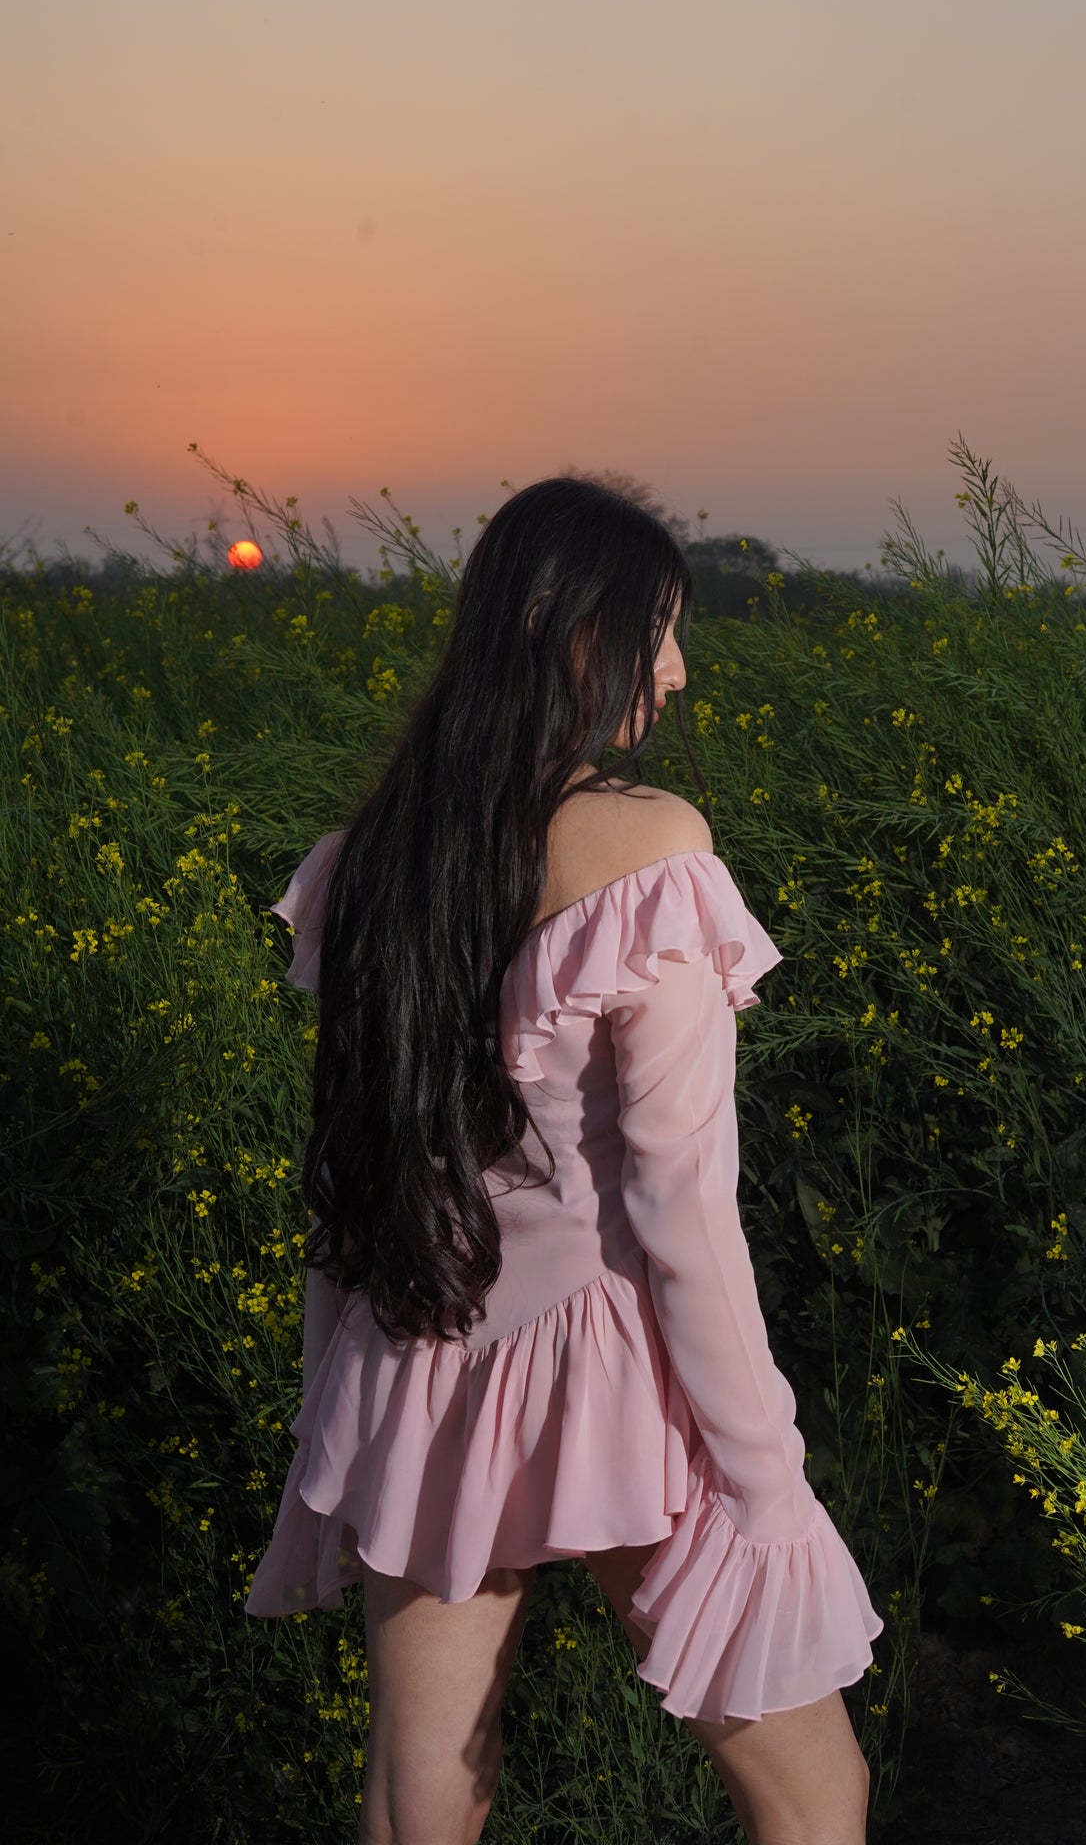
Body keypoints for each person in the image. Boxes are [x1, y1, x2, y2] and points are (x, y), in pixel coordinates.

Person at [244, 477, 882, 1844]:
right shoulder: (651, 850)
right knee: (817, 1795)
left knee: (422, 1802)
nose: (676, 670)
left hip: (412, 1353)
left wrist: (332, 1408)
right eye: (653, 629)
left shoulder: (366, 861)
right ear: (562, 633)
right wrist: (764, 1475)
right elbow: (679, 1208)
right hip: (614, 1367)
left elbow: (350, 1184)